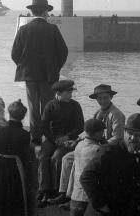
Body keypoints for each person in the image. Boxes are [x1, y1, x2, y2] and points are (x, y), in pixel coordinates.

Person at [11, 0, 68, 144]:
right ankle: (46, 136)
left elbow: (15, 54)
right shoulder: (52, 29)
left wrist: (24, 66)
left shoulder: (23, 29)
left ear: (31, 11)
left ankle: (35, 137)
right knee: (47, 106)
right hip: (49, 76)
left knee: (33, 107)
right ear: (45, 11)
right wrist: (55, 68)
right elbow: (63, 52)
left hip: (29, 75)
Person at [80, 113, 140, 216]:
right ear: (124, 132)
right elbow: (86, 177)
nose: (132, 138)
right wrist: (100, 205)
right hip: (106, 212)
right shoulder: (108, 151)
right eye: (129, 133)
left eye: (138, 135)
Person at [38, 79, 84, 207]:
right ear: (58, 93)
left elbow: (80, 126)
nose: (71, 94)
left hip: (69, 140)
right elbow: (43, 126)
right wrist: (54, 139)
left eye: (71, 91)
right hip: (52, 139)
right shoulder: (50, 105)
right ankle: (44, 190)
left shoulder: (75, 106)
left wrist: (68, 137)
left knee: (57, 158)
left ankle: (57, 190)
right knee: (43, 157)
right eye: (68, 92)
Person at [66, 119, 106, 216]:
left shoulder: (79, 145)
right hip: (87, 199)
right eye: (102, 132)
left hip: (75, 196)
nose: (103, 134)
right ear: (97, 133)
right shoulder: (97, 150)